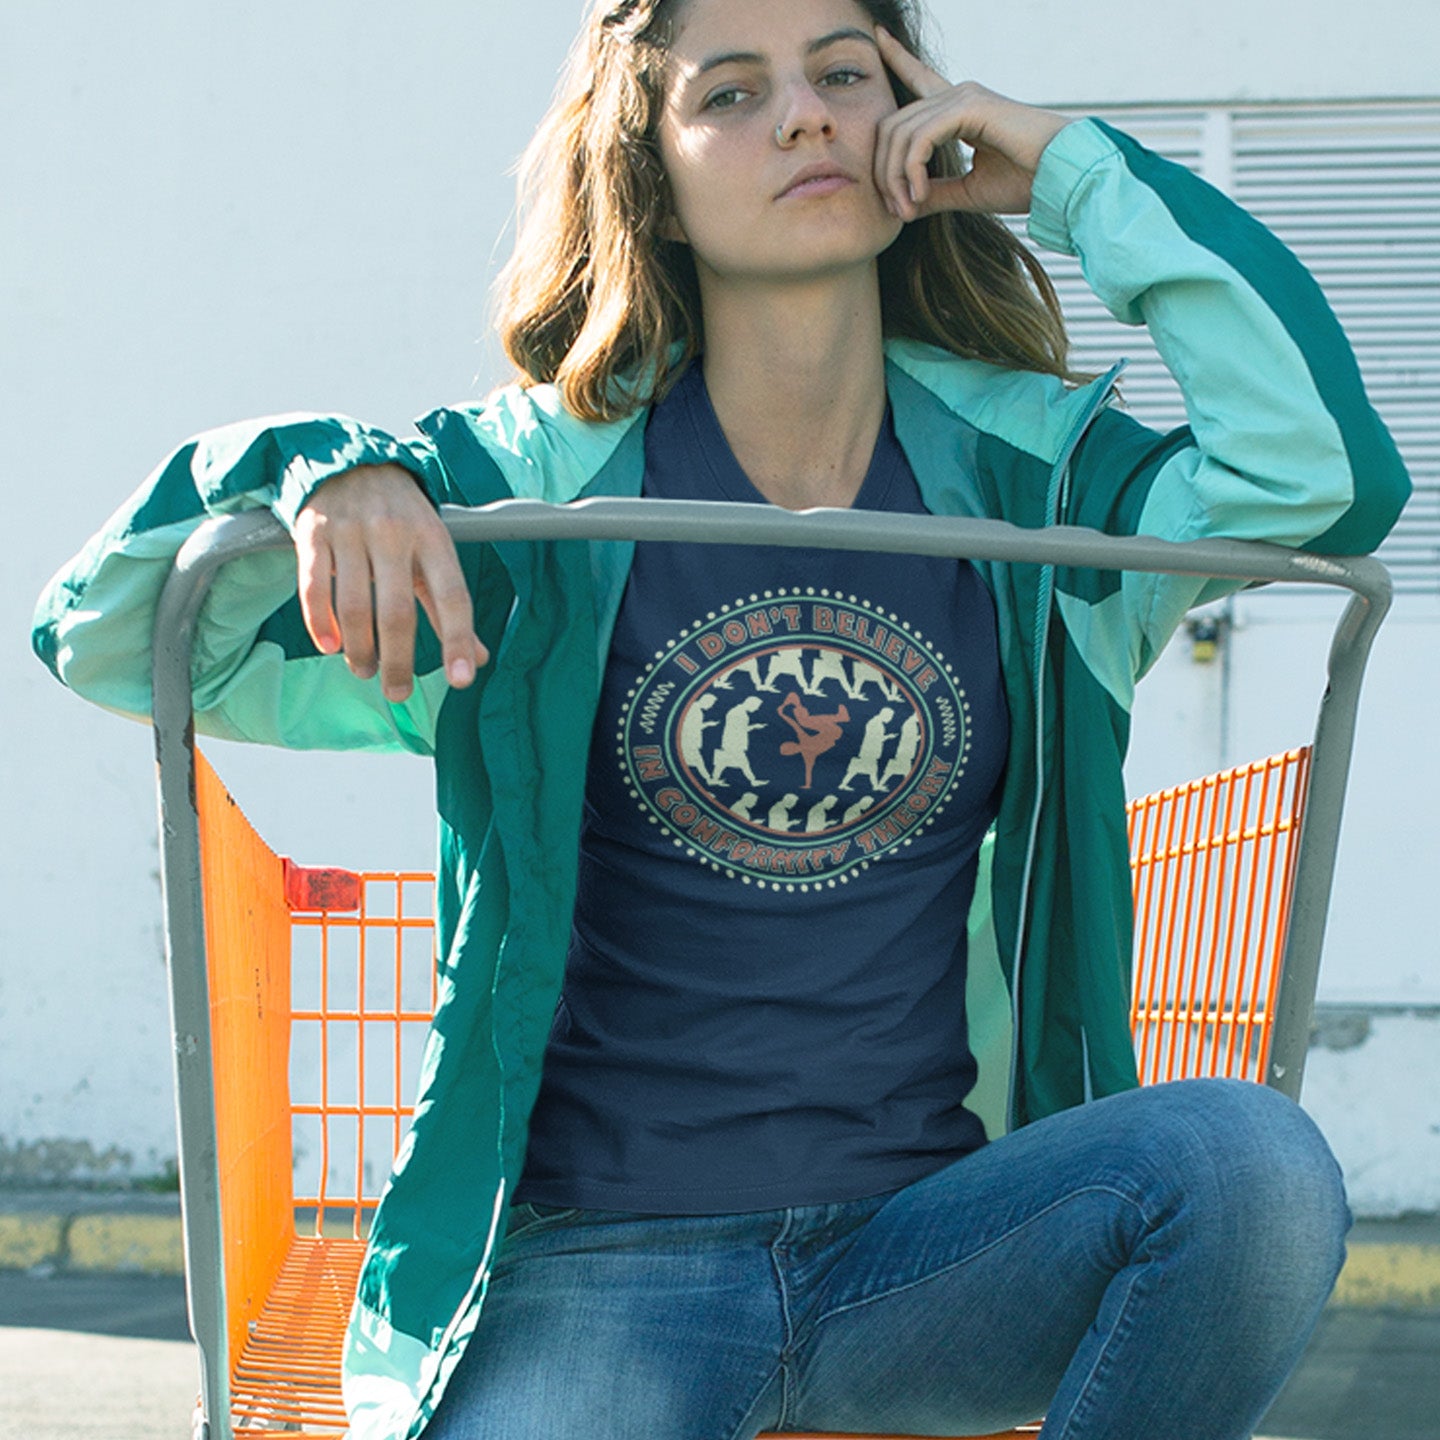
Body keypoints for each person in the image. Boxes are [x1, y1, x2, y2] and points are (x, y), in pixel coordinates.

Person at [32, 1, 1411, 1438]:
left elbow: (1320, 488)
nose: (804, 115)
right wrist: (322, 476)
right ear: (650, 173)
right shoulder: (529, 501)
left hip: (927, 1254)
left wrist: (1072, 173)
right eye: (734, 93)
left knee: (1251, 1164)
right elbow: (114, 637)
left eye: (846, 76)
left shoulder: (1036, 490)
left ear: (916, 127)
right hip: (596, 1268)